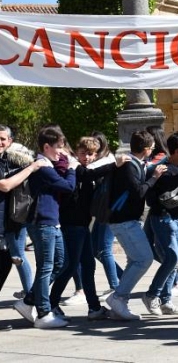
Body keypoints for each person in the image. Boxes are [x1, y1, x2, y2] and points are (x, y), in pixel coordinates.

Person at [14, 125, 77, 329]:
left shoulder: (47, 164)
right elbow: (68, 186)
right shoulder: (43, 166)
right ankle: (43, 313)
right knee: (47, 267)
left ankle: (28, 301)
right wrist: (72, 169)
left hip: (51, 221)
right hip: (42, 222)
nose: (61, 151)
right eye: (58, 147)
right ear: (47, 146)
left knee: (60, 262)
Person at [49, 136, 114, 321]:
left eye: (91, 154)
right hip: (72, 224)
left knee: (88, 265)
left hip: (82, 225)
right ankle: (51, 303)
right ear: (77, 152)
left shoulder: (84, 169)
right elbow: (88, 175)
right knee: (70, 266)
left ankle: (93, 307)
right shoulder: (75, 167)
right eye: (83, 153)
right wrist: (114, 165)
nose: (87, 157)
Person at [106, 130, 167, 321]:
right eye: (151, 148)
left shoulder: (134, 164)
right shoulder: (129, 166)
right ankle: (118, 297)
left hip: (127, 221)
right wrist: (154, 177)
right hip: (123, 221)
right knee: (144, 259)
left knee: (135, 260)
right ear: (147, 149)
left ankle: (119, 302)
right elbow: (138, 191)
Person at [0, 127, 52, 332]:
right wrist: (31, 168)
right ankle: (30, 297)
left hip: (10, 224)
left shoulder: (10, 161)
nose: (0, 142)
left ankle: (30, 298)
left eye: (3, 139)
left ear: (10, 141)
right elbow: (4, 185)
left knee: (9, 263)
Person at [142, 131, 178, 317]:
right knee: (171, 259)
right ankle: (152, 294)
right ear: (177, 151)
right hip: (163, 219)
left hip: (177, 220)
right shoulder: (163, 169)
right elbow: (167, 185)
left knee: (174, 261)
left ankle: (166, 300)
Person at [88, 131, 121, 297]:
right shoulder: (102, 160)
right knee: (96, 249)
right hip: (102, 210)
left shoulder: (107, 160)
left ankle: (115, 286)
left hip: (107, 209)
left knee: (104, 249)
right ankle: (122, 278)